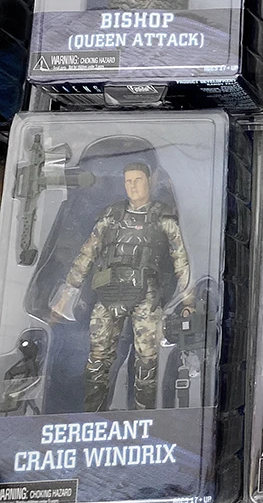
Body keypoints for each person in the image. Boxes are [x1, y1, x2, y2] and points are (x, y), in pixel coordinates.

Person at [50, 162, 192, 412]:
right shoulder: (111, 215)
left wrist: (188, 299)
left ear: (149, 182)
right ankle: (93, 416)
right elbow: (87, 254)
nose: (133, 186)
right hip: (108, 292)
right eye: (128, 181)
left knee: (147, 362)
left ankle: (143, 418)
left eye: (138, 180)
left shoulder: (163, 217)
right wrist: (64, 298)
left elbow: (180, 258)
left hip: (146, 295)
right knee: (97, 360)